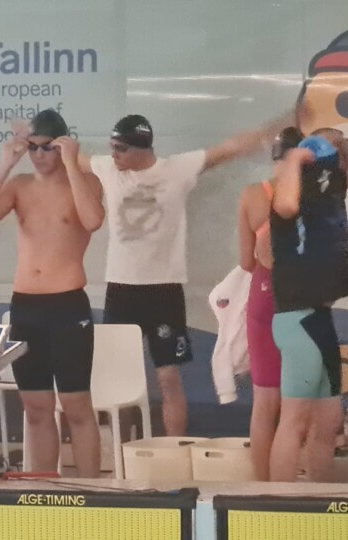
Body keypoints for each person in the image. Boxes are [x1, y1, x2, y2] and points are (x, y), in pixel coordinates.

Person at [77, 111, 297, 436]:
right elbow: (74, 158)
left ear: (142, 149)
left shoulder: (176, 170)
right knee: (117, 379)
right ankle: (122, 452)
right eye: (112, 148)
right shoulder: (108, 168)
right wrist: (35, 141)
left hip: (164, 290)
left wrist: (275, 127)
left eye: (120, 149)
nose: (114, 155)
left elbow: (230, 148)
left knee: (169, 377)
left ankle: (173, 450)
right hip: (121, 289)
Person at [0, 110, 105, 477]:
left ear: (62, 146)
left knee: (77, 406)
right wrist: (4, 166)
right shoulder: (19, 186)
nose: (39, 155)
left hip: (67, 306)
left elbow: (93, 220)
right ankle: (45, 490)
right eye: (33, 148)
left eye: (48, 147)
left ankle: (92, 491)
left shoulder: (86, 182)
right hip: (26, 308)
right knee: (36, 407)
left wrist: (72, 164)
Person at [267, 130, 348, 482]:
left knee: (330, 421)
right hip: (297, 317)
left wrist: (340, 143)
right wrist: (294, 159)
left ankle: (321, 496)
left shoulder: (327, 190)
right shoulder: (286, 198)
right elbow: (287, 205)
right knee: (294, 421)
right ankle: (275, 502)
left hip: (320, 317)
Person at [236, 126, 303, 480]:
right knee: (298, 405)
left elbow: (246, 262)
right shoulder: (309, 196)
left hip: (262, 297)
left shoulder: (251, 195)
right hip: (297, 298)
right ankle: (292, 487)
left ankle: (260, 486)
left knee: (264, 402)